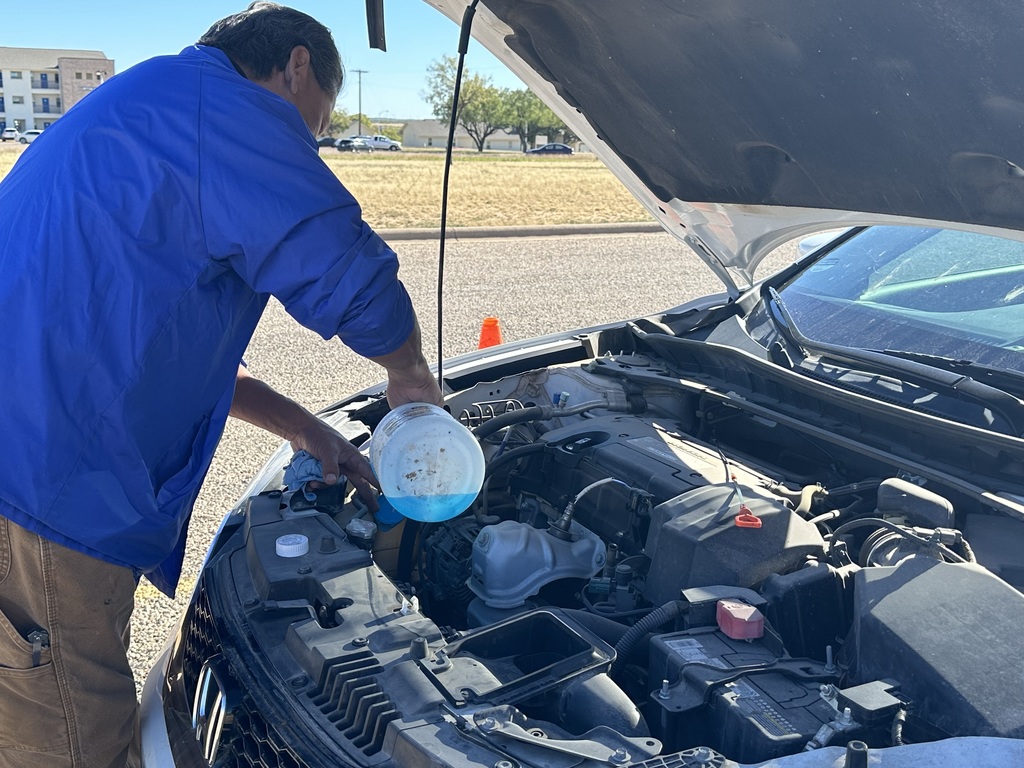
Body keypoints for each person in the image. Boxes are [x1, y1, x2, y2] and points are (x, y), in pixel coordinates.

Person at [0, 3, 442, 766]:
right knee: (74, 741)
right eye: (317, 122)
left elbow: (164, 350)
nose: (310, 141)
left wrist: (308, 430)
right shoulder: (230, 110)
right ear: (296, 66)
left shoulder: (153, 107)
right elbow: (343, 267)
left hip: (28, 462)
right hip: (44, 495)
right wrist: (410, 374)